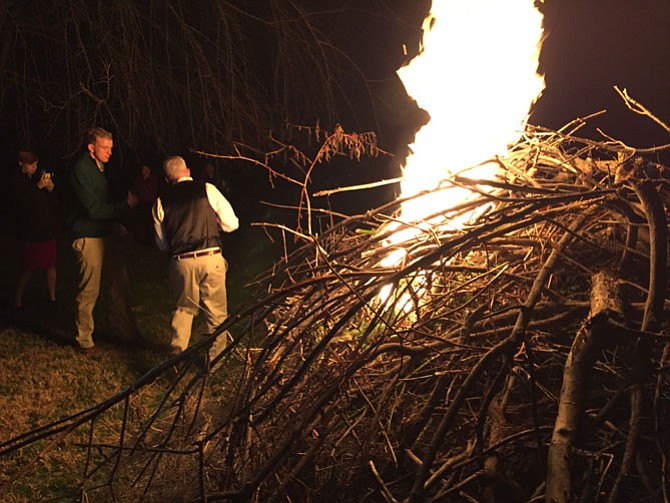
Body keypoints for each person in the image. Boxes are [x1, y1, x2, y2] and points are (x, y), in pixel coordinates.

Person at [152, 155, 239, 359]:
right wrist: (217, 223)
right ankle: (215, 359)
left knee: (184, 308)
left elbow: (162, 243)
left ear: (167, 179)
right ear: (188, 171)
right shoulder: (207, 189)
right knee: (216, 312)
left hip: (182, 262)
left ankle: (177, 349)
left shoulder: (160, 202)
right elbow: (232, 223)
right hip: (210, 256)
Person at [65, 127, 140, 351]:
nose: (109, 152)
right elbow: (94, 209)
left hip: (104, 235)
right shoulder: (81, 170)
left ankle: (130, 335)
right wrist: (123, 207)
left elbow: (101, 208)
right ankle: (84, 340)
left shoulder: (99, 169)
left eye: (111, 148)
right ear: (91, 147)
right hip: (88, 237)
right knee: (89, 289)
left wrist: (114, 224)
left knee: (120, 283)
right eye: (104, 147)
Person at [11, 149, 58, 309]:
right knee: (27, 267)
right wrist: (37, 187)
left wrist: (50, 189)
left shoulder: (37, 178)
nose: (34, 167)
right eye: (30, 165)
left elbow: (51, 202)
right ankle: (17, 299)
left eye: (36, 164)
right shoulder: (18, 181)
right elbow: (22, 204)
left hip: (46, 228)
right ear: (21, 164)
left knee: (50, 264)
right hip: (30, 231)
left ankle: (52, 297)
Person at [131, 164, 159, 244]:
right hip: (141, 204)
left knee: (150, 223)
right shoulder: (139, 180)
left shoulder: (153, 179)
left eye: (146, 169)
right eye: (143, 169)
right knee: (141, 222)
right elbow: (136, 190)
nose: (144, 171)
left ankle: (150, 241)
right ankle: (141, 240)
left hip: (150, 204)